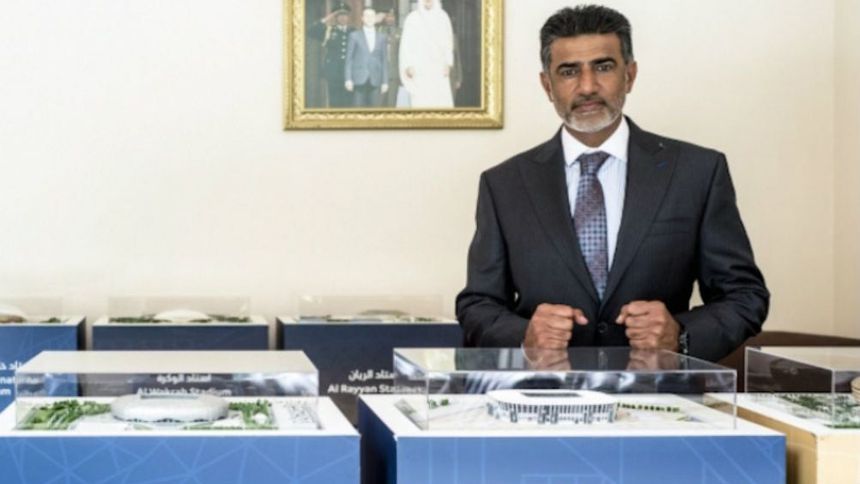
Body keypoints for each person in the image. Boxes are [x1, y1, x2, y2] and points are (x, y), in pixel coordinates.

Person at [455, 5, 769, 362]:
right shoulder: (504, 184)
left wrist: (681, 335)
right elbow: (478, 304)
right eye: (569, 71)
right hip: (545, 391)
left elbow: (745, 295)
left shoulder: (697, 172)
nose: (587, 86)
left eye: (603, 67)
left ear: (629, 75)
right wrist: (524, 336)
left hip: (659, 391)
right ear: (547, 85)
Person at [398, 0, 455, 108]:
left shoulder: (443, 17)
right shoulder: (412, 18)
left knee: (440, 103)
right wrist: (408, 65)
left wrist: (448, 63)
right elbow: (406, 45)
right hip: (419, 70)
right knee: (421, 103)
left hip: (439, 69)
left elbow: (448, 43)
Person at [307, 4, 353, 108]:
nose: (343, 17)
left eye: (345, 15)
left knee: (349, 102)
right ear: (335, 17)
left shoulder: (354, 32)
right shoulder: (329, 31)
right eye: (339, 15)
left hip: (349, 72)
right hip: (333, 72)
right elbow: (310, 31)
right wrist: (327, 18)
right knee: (334, 101)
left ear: (348, 17)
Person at [345, 8, 389, 107]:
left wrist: (385, 82)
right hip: (358, 79)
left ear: (375, 19)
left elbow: (384, 60)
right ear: (362, 18)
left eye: (372, 16)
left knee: (375, 110)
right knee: (358, 110)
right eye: (367, 16)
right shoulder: (354, 36)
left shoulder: (382, 37)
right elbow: (349, 59)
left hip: (375, 79)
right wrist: (348, 79)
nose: (369, 18)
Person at [378, 10, 402, 107]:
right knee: (379, 103)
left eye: (392, 16)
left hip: (394, 74)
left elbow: (403, 54)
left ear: (395, 18)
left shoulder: (400, 32)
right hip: (380, 74)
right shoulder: (378, 31)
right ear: (384, 18)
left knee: (392, 103)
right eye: (388, 16)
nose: (390, 19)